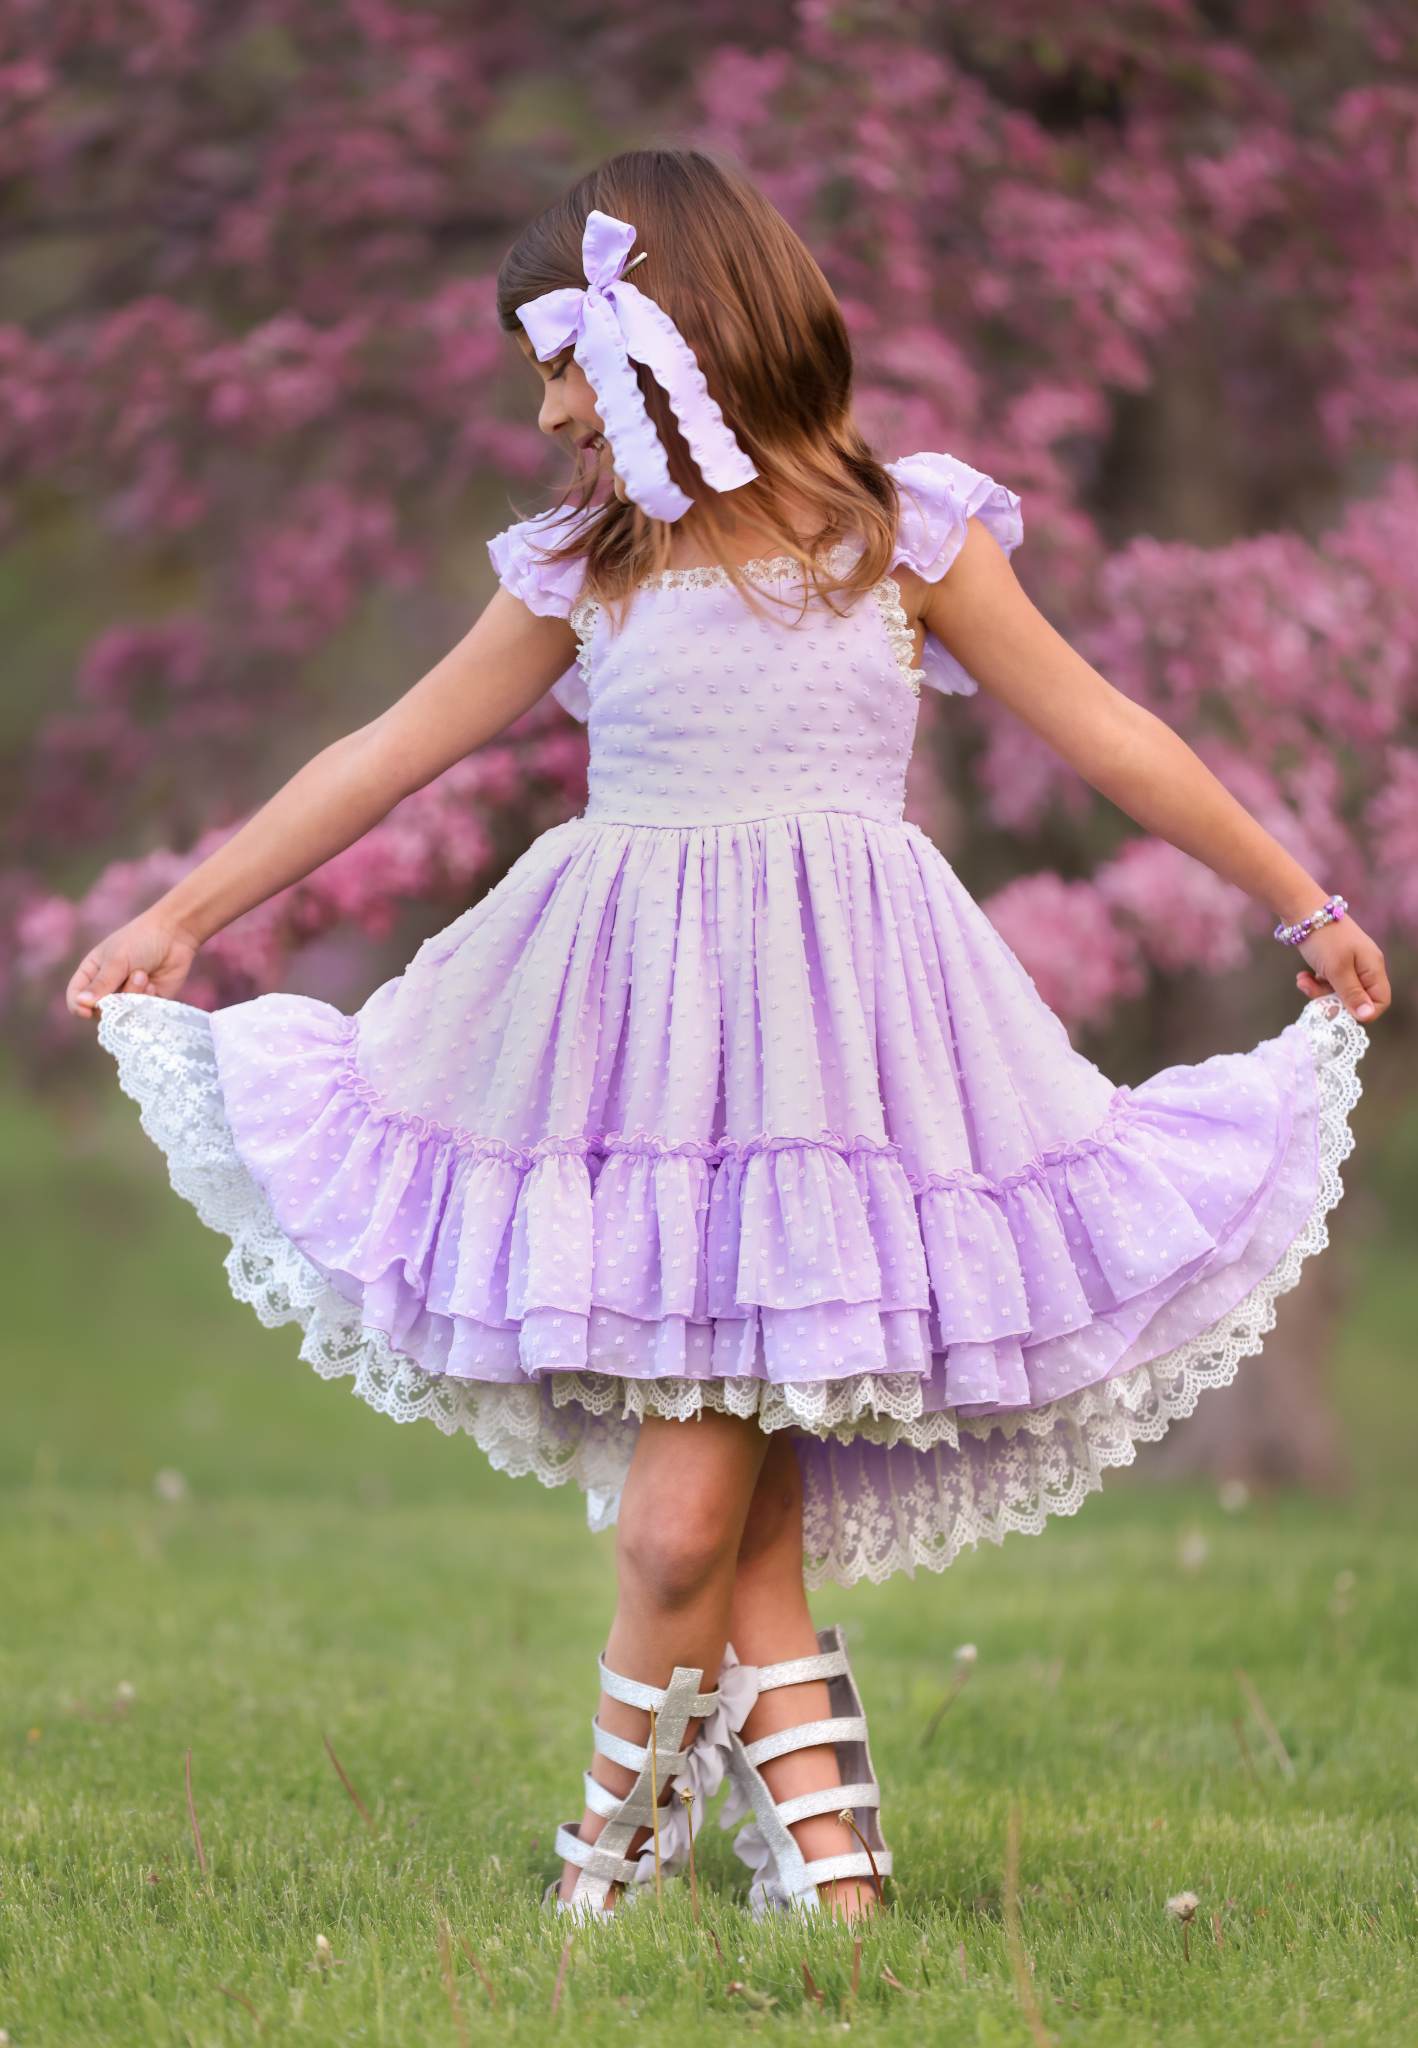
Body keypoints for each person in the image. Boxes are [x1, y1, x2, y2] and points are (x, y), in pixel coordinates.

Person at [65, 147, 1387, 1926]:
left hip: (840, 1074)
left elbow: (1107, 731)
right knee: (718, 1511)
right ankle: (803, 1882)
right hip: (637, 1071)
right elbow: (380, 756)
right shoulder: (577, 572)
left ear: (676, 346)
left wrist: (1297, 899)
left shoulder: (899, 535)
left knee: (698, 1518)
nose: (543, 417)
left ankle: (628, 1876)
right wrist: (185, 913)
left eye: (563, 368)